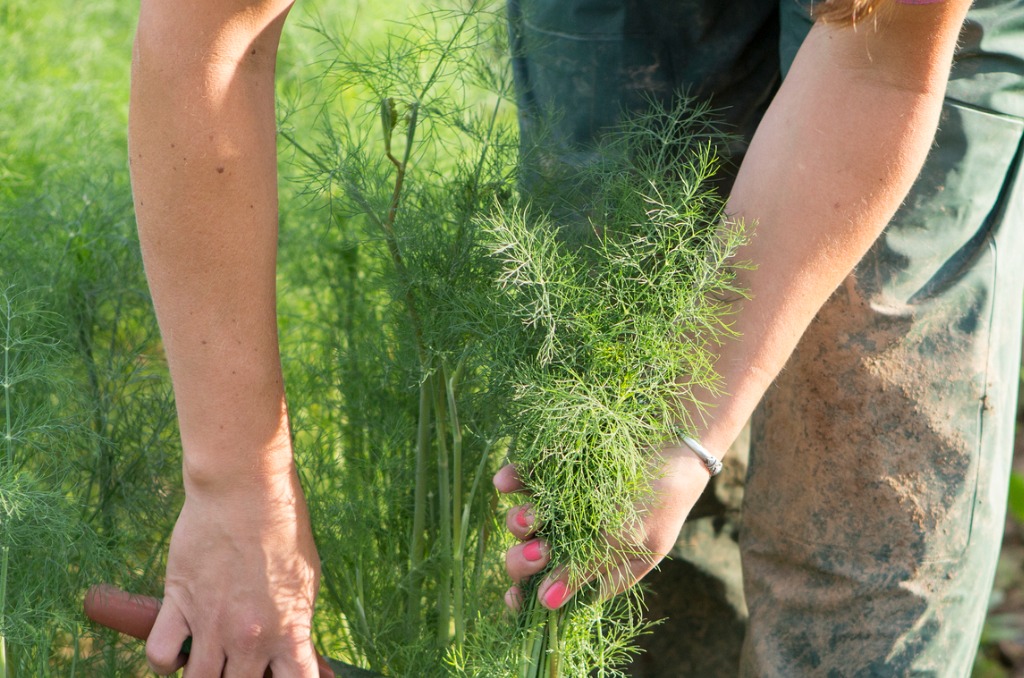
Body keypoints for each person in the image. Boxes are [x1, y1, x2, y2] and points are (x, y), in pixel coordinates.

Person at [129, 0, 1022, 676]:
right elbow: (210, 37)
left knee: (862, 458)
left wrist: (686, 426)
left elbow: (880, 64)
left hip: (894, 33)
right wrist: (236, 491)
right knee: (605, 368)